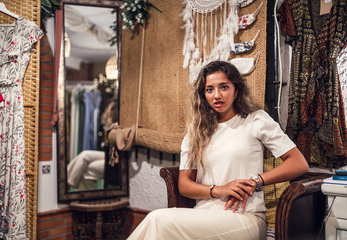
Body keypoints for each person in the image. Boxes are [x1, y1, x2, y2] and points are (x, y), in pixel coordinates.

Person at [127, 61, 309, 240]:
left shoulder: (255, 120)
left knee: (158, 220)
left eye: (224, 87)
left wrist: (256, 181)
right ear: (203, 95)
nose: (217, 95)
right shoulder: (196, 131)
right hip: (203, 215)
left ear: (236, 90)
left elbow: (298, 163)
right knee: (158, 224)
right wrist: (220, 189)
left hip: (244, 218)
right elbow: (184, 185)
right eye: (209, 89)